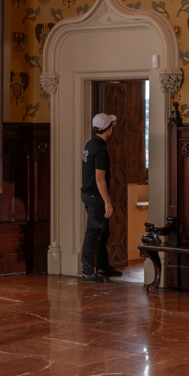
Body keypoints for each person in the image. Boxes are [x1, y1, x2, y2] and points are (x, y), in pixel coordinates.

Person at [80, 113, 117, 282]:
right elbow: (100, 178)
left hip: (89, 194)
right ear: (107, 129)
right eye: (111, 125)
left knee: (103, 232)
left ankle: (103, 266)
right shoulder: (100, 150)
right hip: (96, 196)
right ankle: (88, 272)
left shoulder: (90, 144)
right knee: (94, 233)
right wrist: (107, 202)